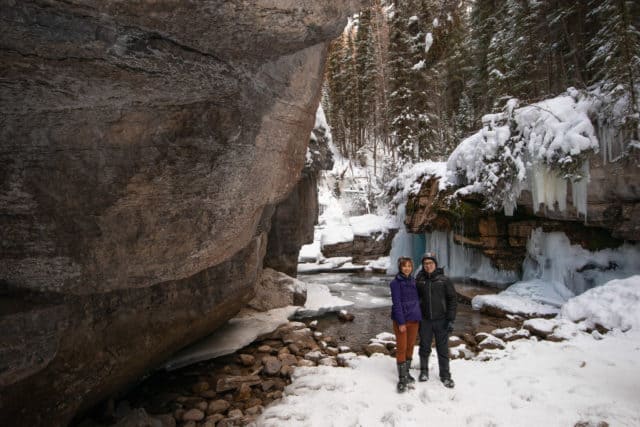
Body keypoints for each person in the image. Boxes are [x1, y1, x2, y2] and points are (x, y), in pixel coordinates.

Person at [415, 252, 457, 388]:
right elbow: (414, 300)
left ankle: (445, 376)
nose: (428, 266)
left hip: (441, 320)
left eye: (430, 263)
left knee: (443, 349)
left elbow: (452, 300)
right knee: (424, 348)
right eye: (425, 264)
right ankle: (424, 371)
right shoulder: (419, 280)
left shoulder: (444, 280)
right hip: (425, 320)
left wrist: (450, 319)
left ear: (435, 264)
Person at [389, 256, 422, 393]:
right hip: (402, 321)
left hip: (414, 319)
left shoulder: (414, 281)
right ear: (400, 268)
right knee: (402, 348)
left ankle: (407, 372)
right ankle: (402, 378)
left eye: (409, 266)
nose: (407, 268)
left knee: (410, 347)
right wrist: (401, 322)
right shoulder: (395, 283)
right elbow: (396, 304)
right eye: (404, 266)